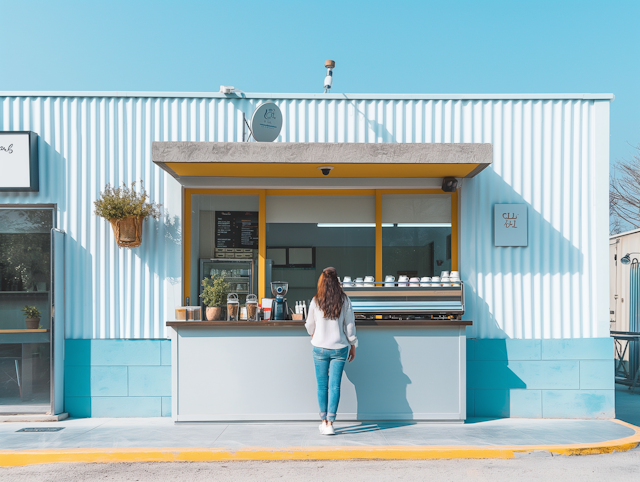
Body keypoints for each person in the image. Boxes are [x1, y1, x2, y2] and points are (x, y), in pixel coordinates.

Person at [304, 266, 357, 435]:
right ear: (337, 281)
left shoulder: (316, 300)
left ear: (322, 281)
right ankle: (331, 424)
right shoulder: (345, 300)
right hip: (339, 348)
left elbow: (309, 324)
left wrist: (313, 334)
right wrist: (353, 344)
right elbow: (349, 326)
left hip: (319, 347)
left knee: (322, 386)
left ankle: (323, 421)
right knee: (335, 387)